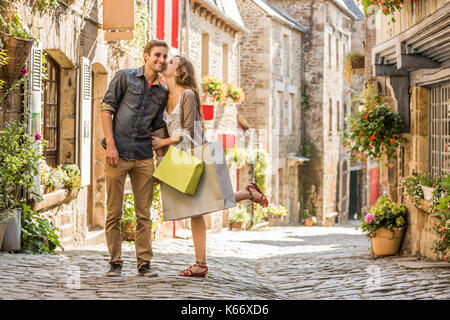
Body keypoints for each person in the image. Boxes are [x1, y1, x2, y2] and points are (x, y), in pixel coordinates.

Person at [151, 55, 269, 277]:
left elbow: (189, 131)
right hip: (178, 157)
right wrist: (161, 156)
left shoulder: (187, 95)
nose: (167, 63)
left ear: (179, 71)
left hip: (193, 156)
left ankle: (200, 264)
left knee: (201, 206)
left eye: (172, 61)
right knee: (198, 209)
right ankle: (247, 193)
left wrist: (163, 144)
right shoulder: (165, 95)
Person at [100, 40, 173, 277]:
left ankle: (144, 264)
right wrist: (110, 146)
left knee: (144, 214)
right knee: (114, 212)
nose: (161, 60)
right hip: (117, 154)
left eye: (165, 56)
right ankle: (115, 263)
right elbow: (106, 110)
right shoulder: (125, 77)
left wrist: (162, 163)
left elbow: (157, 128)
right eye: (157, 55)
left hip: (143, 157)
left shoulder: (162, 92)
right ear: (146, 56)